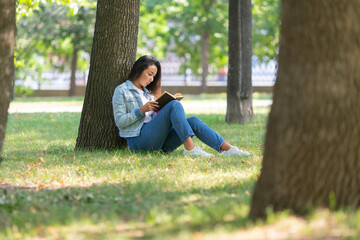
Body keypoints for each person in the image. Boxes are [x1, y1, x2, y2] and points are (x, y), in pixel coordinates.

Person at [112, 55, 250, 157]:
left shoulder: (148, 93)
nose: (151, 79)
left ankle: (228, 149)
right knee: (173, 105)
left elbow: (156, 120)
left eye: (154, 76)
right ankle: (190, 149)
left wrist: (159, 110)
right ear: (139, 70)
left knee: (193, 121)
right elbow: (120, 122)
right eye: (149, 74)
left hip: (160, 144)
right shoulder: (122, 90)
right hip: (139, 142)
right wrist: (141, 110)